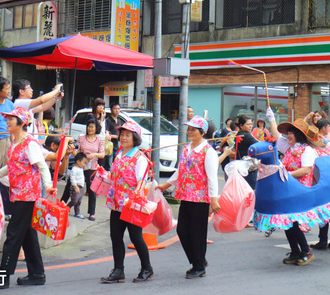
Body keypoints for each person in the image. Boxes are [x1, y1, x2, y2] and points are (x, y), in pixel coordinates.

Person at [0, 107, 56, 289]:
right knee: (27, 236)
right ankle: (37, 274)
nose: (7, 121)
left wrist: (47, 185)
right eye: (7, 118)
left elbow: (42, 166)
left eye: (11, 119)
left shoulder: (29, 143)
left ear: (22, 123)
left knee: (14, 235)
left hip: (28, 196)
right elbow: (12, 167)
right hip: (18, 195)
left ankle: (3, 277)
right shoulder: (15, 143)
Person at [157, 116, 219, 279]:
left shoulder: (208, 152)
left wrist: (214, 199)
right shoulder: (187, 148)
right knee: (182, 230)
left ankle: (198, 266)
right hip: (185, 195)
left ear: (202, 132)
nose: (189, 132)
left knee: (197, 233)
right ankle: (198, 260)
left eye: (193, 129)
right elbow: (181, 170)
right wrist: (167, 185)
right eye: (189, 129)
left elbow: (212, 177)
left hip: (200, 198)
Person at [102, 121, 152, 284]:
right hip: (117, 203)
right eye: (122, 134)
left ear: (135, 138)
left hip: (132, 205)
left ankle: (147, 268)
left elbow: (141, 180)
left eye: (127, 135)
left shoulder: (139, 157)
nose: (123, 138)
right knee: (115, 236)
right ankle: (118, 270)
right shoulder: (120, 153)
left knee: (135, 237)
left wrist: (137, 192)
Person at [268, 110, 318, 266]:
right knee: (287, 221)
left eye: (290, 133)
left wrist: (286, 174)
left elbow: (306, 169)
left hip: (299, 191)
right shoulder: (290, 149)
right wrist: (272, 119)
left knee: (294, 222)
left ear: (298, 135)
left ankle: (306, 251)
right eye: (287, 133)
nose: (287, 136)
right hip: (287, 189)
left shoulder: (307, 150)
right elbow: (276, 135)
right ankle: (295, 251)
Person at [78, 119, 105, 221]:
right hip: (81, 166)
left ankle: (91, 212)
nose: (90, 129)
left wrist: (94, 155)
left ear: (96, 128)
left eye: (92, 127)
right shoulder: (81, 138)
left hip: (92, 167)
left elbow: (102, 154)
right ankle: (64, 204)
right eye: (89, 126)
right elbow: (77, 151)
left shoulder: (99, 140)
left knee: (92, 190)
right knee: (72, 186)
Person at [233, 115, 259, 190]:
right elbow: (259, 145)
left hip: (240, 167)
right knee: (252, 191)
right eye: (248, 124)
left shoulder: (238, 134)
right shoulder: (246, 136)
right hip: (249, 169)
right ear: (241, 125)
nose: (250, 126)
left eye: (251, 124)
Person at [67, 152, 87, 219]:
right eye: (83, 162)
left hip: (81, 187)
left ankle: (77, 212)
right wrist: (75, 186)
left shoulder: (80, 168)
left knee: (79, 201)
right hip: (76, 187)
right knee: (74, 200)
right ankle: (67, 208)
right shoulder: (74, 169)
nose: (84, 164)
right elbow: (72, 178)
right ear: (78, 162)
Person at [105, 103, 121, 170]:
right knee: (109, 164)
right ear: (111, 110)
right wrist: (116, 137)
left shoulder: (119, 120)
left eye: (118, 109)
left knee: (116, 163)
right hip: (109, 145)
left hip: (116, 145)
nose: (117, 110)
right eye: (115, 109)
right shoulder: (108, 120)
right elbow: (106, 133)